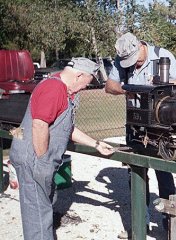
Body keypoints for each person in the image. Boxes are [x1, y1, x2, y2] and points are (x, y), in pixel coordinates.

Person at [9, 57, 115, 240]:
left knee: (45, 206)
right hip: (33, 158)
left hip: (38, 158)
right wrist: (42, 161)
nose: (84, 87)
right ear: (79, 75)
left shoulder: (64, 89)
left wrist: (96, 144)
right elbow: (40, 125)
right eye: (86, 82)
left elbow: (66, 128)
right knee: (37, 217)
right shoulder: (54, 88)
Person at [105, 32, 176, 238]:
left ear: (141, 46)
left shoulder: (162, 55)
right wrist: (129, 90)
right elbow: (109, 86)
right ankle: (139, 225)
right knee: (135, 174)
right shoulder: (121, 61)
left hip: (160, 127)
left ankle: (169, 224)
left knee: (164, 172)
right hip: (135, 124)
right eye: (128, 62)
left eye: (135, 60)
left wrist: (160, 86)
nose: (132, 65)